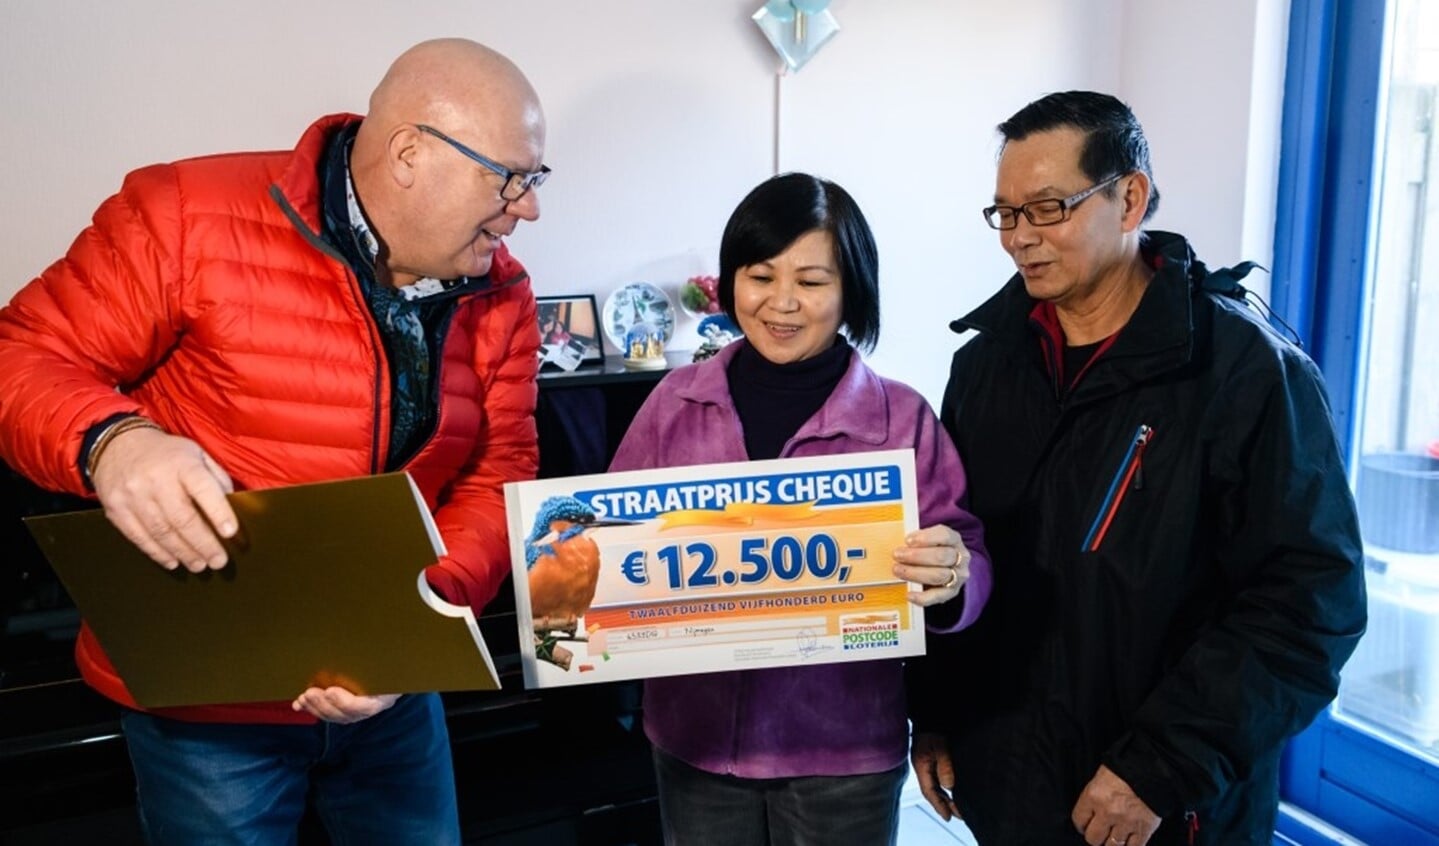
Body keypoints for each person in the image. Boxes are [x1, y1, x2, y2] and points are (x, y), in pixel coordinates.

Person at [0, 38, 547, 844]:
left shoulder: (504, 293)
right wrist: (111, 442)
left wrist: (417, 624)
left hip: (389, 692)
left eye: (533, 181)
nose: (527, 208)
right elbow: (21, 356)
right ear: (409, 155)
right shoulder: (183, 214)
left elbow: (497, 473)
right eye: (509, 178)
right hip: (205, 704)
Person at [907, 91, 1368, 846]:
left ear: (1129, 198)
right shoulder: (986, 364)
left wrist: (1162, 764)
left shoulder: (1242, 372)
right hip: (1007, 781)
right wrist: (935, 713)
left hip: (1158, 803)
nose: (1019, 238)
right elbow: (953, 549)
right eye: (1005, 214)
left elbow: (1310, 601)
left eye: (1048, 208)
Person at [609, 172, 991, 846]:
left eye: (811, 283)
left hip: (843, 751)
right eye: (760, 276)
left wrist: (954, 575)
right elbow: (605, 542)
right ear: (731, 283)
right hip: (695, 743)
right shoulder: (674, 401)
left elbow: (965, 552)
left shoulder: (899, 417)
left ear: (850, 292)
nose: (782, 303)